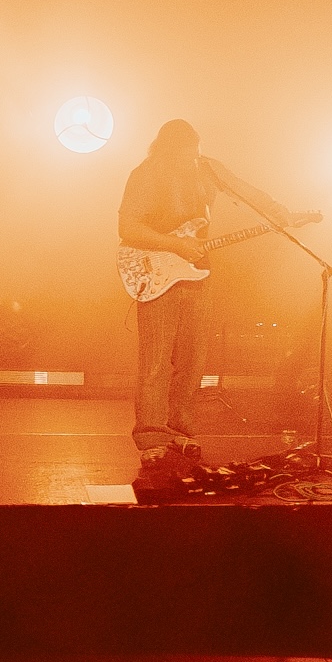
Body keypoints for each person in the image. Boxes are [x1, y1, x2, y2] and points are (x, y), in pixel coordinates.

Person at [117, 116, 217, 475]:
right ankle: (151, 436)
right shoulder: (146, 174)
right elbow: (128, 227)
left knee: (193, 358)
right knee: (156, 361)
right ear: (169, 149)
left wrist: (279, 212)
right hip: (157, 274)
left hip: (194, 276)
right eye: (187, 152)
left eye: (195, 152)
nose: (193, 158)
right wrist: (174, 244)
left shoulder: (203, 173)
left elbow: (242, 189)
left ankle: (178, 430)